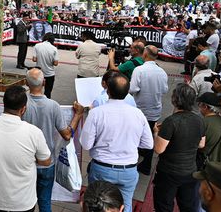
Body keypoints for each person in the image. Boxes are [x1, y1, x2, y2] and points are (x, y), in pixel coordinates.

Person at [80, 72, 153, 212]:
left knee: (97, 205)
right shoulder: (138, 114)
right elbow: (148, 144)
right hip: (129, 170)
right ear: (127, 92)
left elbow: (86, 144)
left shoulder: (97, 113)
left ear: (107, 90)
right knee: (125, 205)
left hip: (102, 168)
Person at [0, 85, 51, 212]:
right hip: (23, 202)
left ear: (3, 104)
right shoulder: (34, 133)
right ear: (23, 109)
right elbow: (46, 161)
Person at [22, 68, 83, 212]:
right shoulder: (53, 106)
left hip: (26, 162)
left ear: (26, 83)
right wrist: (78, 115)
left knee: (24, 202)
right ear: (43, 82)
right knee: (45, 203)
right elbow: (67, 135)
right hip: (47, 163)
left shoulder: (21, 104)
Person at [153, 84, 205, 212]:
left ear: (174, 100)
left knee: (164, 205)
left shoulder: (170, 122)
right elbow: (201, 144)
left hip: (169, 172)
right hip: (190, 171)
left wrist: (156, 132)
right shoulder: (199, 120)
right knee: (187, 205)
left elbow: (159, 149)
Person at [129, 45, 169, 175]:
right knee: (149, 135)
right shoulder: (161, 71)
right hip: (154, 110)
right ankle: (146, 161)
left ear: (145, 55)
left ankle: (136, 161)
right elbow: (164, 90)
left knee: (135, 135)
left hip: (139, 108)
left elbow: (133, 89)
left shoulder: (139, 70)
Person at [197, 93, 221, 166]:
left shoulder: (203, 123)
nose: (199, 107)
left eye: (199, 104)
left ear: (205, 107)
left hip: (209, 168)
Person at [31, 32, 59, 98]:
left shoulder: (37, 46)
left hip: (39, 73)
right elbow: (55, 63)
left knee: (36, 91)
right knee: (48, 92)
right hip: (49, 74)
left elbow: (34, 59)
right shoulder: (54, 49)